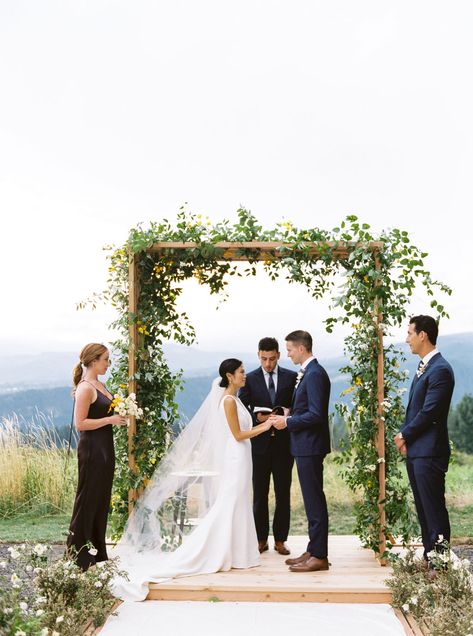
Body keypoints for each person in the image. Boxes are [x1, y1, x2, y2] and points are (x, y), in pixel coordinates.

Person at [112, 358, 273, 601]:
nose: (245, 375)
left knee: (239, 503)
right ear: (229, 376)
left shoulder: (236, 399)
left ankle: (240, 553)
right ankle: (217, 551)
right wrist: (267, 426)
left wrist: (260, 421)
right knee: (230, 503)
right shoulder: (228, 401)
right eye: (241, 372)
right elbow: (238, 434)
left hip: (241, 457)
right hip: (235, 458)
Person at [394, 315, 454, 567]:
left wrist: (404, 434)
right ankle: (430, 556)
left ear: (423, 335)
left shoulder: (440, 369)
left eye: (409, 333)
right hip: (418, 451)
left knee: (434, 507)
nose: (406, 339)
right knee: (423, 507)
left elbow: (430, 412)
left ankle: (440, 562)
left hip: (430, 452)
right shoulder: (425, 367)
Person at [269, 330, 331, 573]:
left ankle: (320, 556)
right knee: (311, 501)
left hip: (310, 446)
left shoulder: (315, 374)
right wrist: (289, 413)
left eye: (290, 350)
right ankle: (313, 549)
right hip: (304, 446)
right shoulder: (309, 372)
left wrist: (289, 422)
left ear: (302, 348)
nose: (287, 354)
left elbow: (316, 414)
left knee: (315, 501)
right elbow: (307, 408)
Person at [67, 343, 127, 570]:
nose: (107, 364)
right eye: (105, 359)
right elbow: (80, 423)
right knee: (87, 499)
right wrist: (109, 420)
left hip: (105, 449)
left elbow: (102, 413)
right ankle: (78, 552)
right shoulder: (85, 388)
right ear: (93, 361)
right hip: (92, 449)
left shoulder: (101, 385)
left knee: (101, 500)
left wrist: (120, 414)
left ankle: (97, 551)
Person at [239, 337, 297, 555]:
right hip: (259, 446)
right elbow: (243, 409)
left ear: (279, 355)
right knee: (259, 494)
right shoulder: (250, 379)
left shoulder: (291, 378)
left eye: (272, 359)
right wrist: (259, 417)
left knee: (283, 493)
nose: (268, 364)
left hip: (284, 445)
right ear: (258, 355)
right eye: (264, 359)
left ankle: (281, 540)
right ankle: (260, 539)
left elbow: (297, 405)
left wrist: (286, 413)